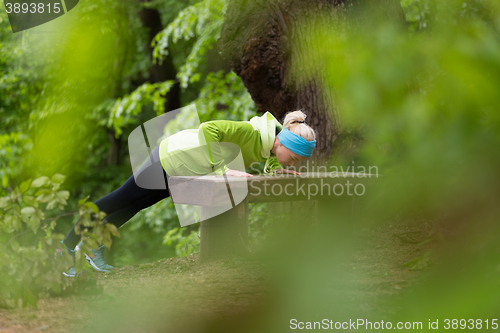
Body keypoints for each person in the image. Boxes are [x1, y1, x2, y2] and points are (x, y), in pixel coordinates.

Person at [58, 110, 317, 277]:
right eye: (293, 159)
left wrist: (278, 171)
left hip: (185, 167)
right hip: (172, 156)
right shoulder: (250, 132)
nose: (292, 163)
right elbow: (208, 129)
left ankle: (92, 247)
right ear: (283, 142)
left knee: (133, 206)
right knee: (119, 199)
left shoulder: (270, 142)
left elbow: (270, 155)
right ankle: (67, 247)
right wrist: (225, 169)